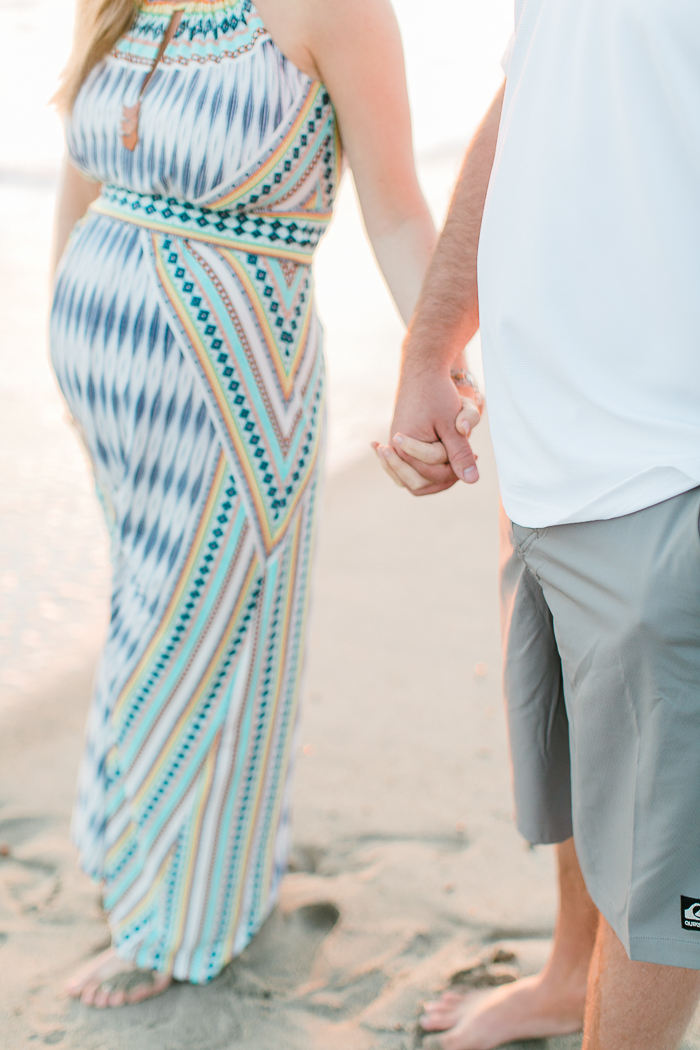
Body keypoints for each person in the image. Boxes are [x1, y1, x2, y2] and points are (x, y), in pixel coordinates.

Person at [49, 0, 477, 1010]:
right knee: (141, 620)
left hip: (229, 379)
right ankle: (134, 856)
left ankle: (183, 922)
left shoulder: (333, 7)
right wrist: (53, 338)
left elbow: (398, 207)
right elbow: (80, 178)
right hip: (109, 380)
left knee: (212, 634)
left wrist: (443, 367)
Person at [374, 3, 700, 1048]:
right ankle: (568, 977)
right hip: (547, 445)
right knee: (589, 768)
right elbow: (530, 96)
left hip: (668, 466)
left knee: (670, 873)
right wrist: (432, 342)